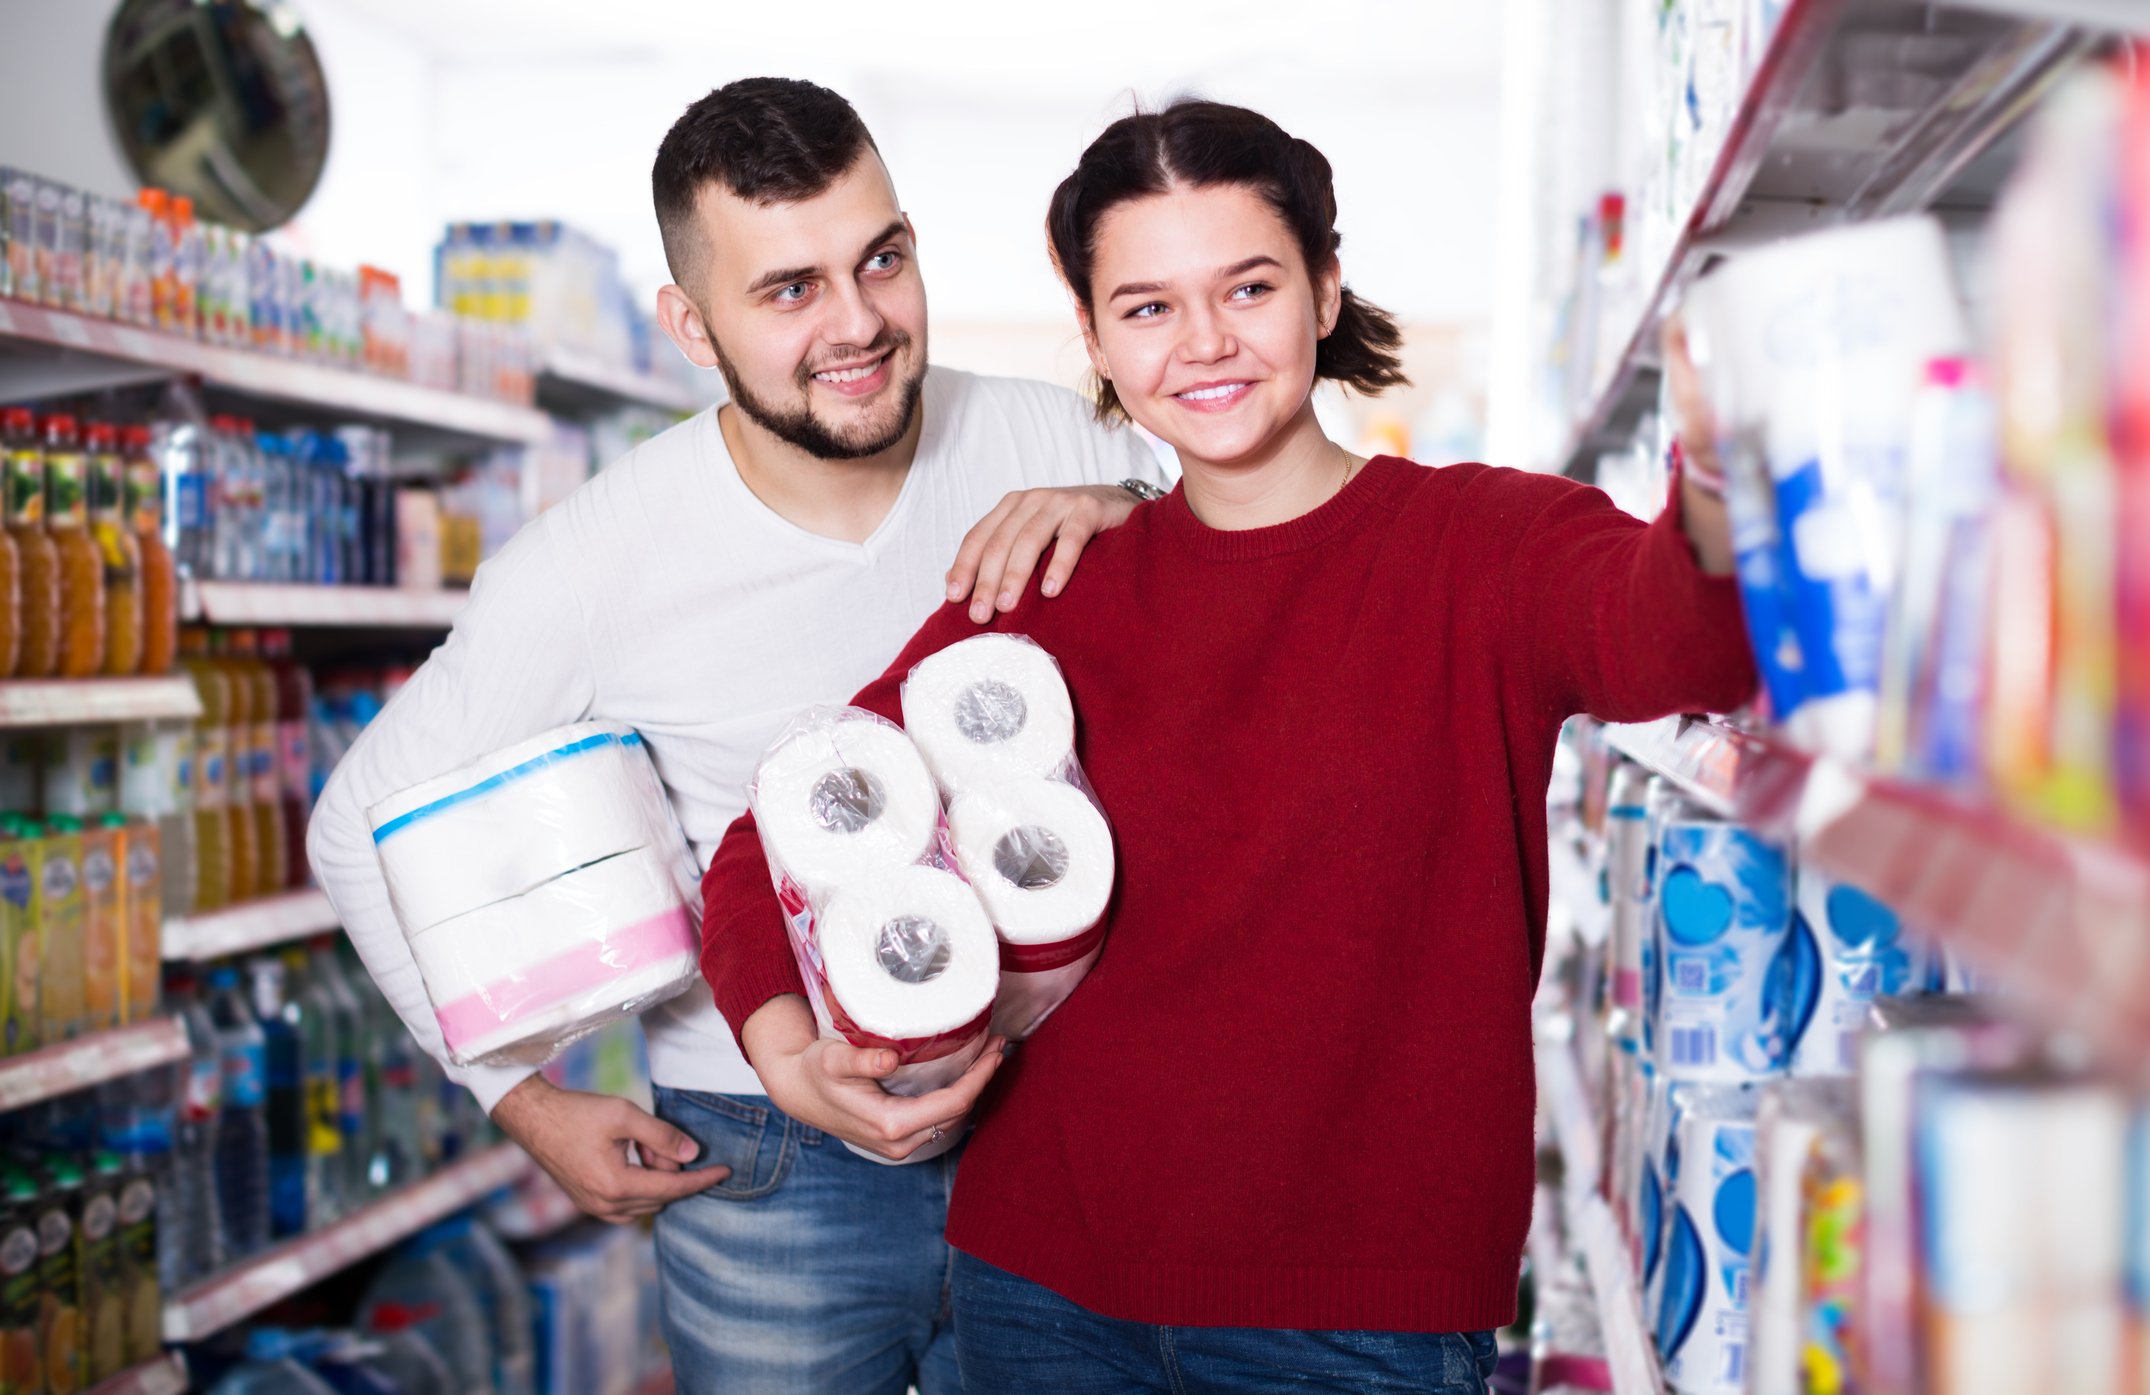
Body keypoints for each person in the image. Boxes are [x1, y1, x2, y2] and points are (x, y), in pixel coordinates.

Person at [698, 99, 1754, 1394]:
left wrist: (1718, 471)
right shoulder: (1051, 584)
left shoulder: (1481, 547)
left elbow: (1683, 649)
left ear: (1321, 288)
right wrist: (786, 1054)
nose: (1202, 343)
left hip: (1358, 1317)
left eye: (1245, 287)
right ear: (1091, 335)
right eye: (1145, 307)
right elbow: (783, 830)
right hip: (1042, 1293)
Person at [308, 78, 1168, 1395]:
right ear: (691, 326)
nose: (858, 322)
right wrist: (519, 1100)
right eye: (787, 292)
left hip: (1064, 1122)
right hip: (769, 1160)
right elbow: (353, 826)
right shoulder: (595, 560)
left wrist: (1127, 501)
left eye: (881, 259)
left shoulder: (1050, 437)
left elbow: (1256, 563)